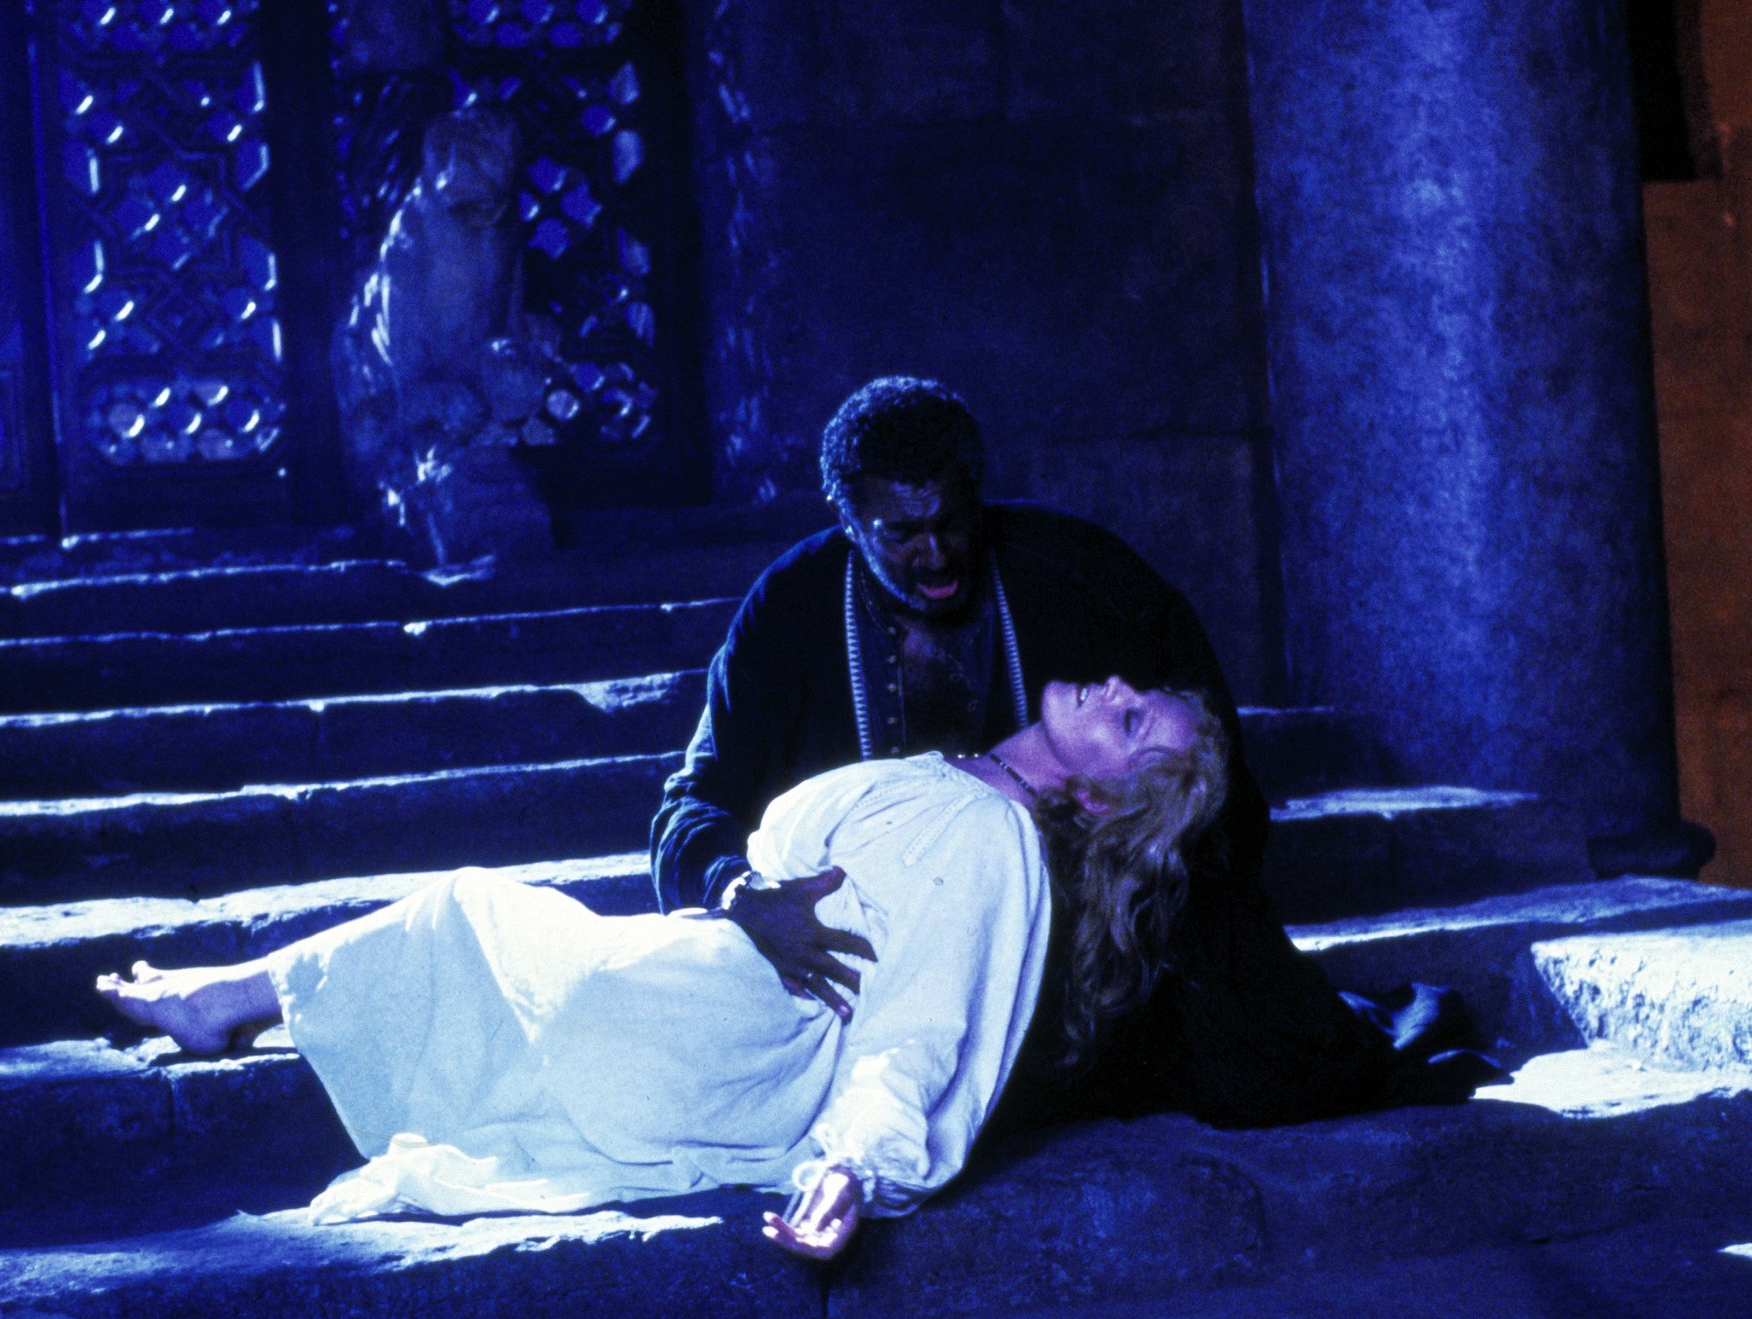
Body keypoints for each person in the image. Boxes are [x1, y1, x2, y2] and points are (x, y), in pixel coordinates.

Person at [98, 678, 1227, 1260]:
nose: (1111, 687)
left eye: (1134, 723)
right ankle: (222, 997)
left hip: (727, 1033)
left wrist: (847, 1170)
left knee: (468, 908)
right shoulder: (964, 782)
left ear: (1101, 801)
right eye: (1133, 693)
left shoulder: (989, 840)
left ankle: (217, 999)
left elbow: (921, 1030)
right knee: (472, 915)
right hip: (703, 993)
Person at [652, 375, 1412, 1132]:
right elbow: (693, 806)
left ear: (977, 493)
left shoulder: (1089, 577)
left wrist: (1099, 917)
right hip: (863, 984)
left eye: (952, 521)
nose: (936, 553)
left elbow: (1214, 793)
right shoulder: (785, 614)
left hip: (1080, 971)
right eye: (901, 533)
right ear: (845, 518)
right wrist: (737, 892)